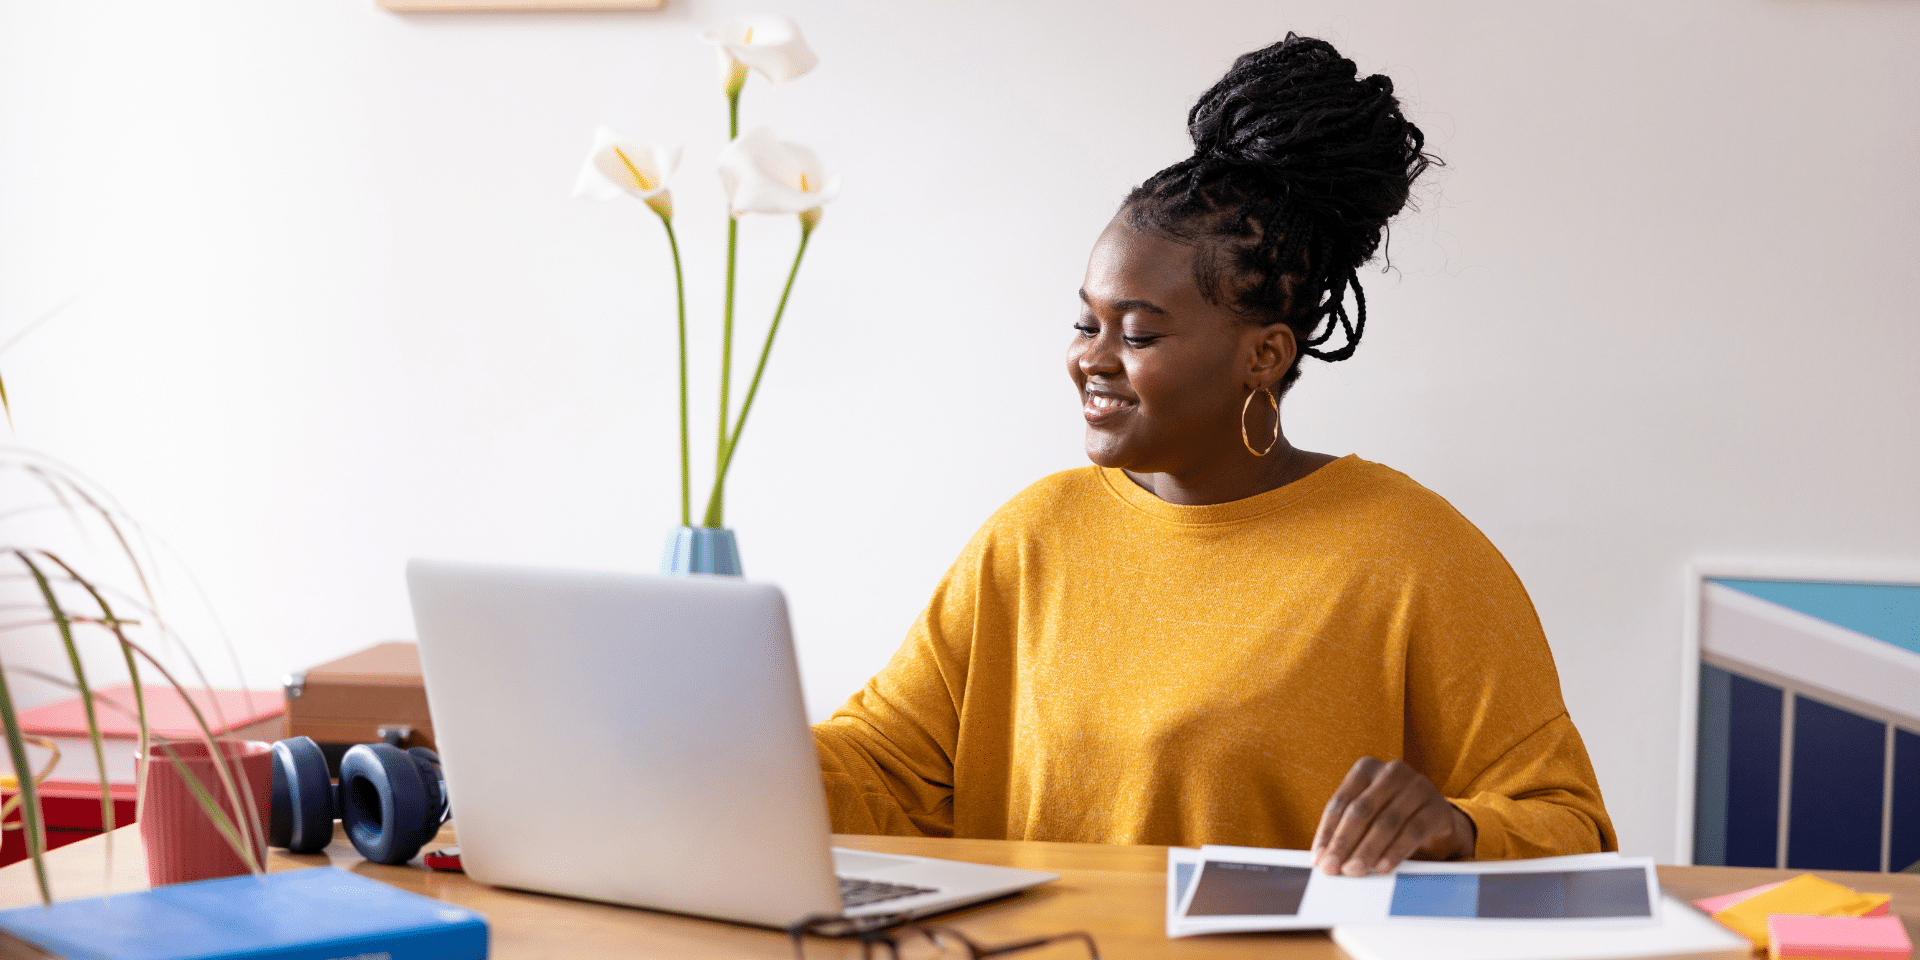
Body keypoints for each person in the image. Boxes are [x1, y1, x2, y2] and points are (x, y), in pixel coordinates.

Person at [812, 33, 1615, 876]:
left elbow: (1570, 828)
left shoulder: (1412, 557)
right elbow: (884, 771)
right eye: (1087, 322)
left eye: (1140, 332)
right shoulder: (1031, 537)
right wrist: (710, 746)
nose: (1093, 356)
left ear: (1263, 356)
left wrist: (1456, 828)